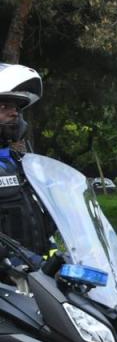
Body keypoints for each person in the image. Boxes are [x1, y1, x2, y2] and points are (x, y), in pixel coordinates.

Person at [0, 63, 54, 260]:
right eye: (5, 106)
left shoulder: (22, 164)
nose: (14, 113)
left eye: (16, 108)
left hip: (33, 279)